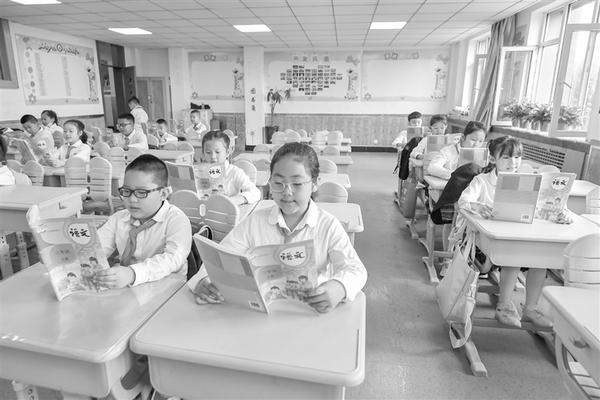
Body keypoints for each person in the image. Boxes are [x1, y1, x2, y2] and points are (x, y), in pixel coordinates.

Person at [189, 142, 367, 313]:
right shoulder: (255, 222)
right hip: (261, 313)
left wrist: (339, 287)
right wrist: (203, 280)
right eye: (278, 183)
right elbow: (220, 257)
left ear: (314, 183)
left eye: (297, 184)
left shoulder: (327, 225)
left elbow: (356, 269)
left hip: (308, 312)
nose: (287, 192)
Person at [458, 136, 572, 329]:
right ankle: (504, 306)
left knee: (541, 260)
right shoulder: (482, 181)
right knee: (515, 255)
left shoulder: (531, 181)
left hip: (523, 237)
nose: (513, 162)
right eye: (506, 157)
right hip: (486, 244)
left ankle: (531, 309)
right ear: (493, 159)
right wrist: (477, 206)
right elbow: (463, 201)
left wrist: (562, 213)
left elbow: (551, 206)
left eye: (517, 157)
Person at [95, 154, 192, 288]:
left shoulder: (176, 220)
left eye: (141, 192)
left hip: (168, 290)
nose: (132, 199)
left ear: (163, 194)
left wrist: (133, 274)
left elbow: (172, 259)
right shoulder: (119, 218)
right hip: (129, 289)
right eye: (126, 191)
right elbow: (98, 248)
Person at [200, 130, 261, 206]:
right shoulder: (200, 173)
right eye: (208, 152)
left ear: (227, 152)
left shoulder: (234, 172)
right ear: (203, 153)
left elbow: (255, 192)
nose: (213, 157)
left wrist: (233, 200)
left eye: (218, 152)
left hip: (229, 211)